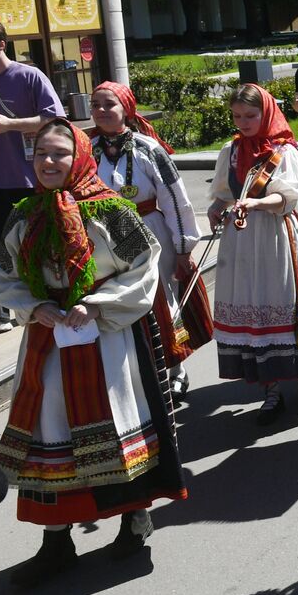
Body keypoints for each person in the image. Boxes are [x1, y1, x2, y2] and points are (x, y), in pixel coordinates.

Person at [0, 119, 187, 587]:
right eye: (41, 154)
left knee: (118, 427)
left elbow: (144, 268)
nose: (49, 162)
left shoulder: (112, 212)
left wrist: (94, 303)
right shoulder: (24, 214)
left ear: (78, 155)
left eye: (59, 153)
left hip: (105, 339)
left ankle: (132, 522)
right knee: (49, 432)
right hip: (48, 342)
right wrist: (33, 305)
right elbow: (3, 273)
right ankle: (55, 543)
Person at [209, 85, 298, 423]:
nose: (243, 122)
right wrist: (217, 207)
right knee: (253, 304)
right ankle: (272, 388)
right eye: (237, 116)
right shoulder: (231, 151)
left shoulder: (283, 152)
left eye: (250, 115)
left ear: (266, 113)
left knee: (284, 300)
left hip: (276, 236)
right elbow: (222, 193)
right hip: (242, 239)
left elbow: (287, 200)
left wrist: (256, 202)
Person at [88, 82, 202, 399]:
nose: (99, 110)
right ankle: (131, 375)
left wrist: (183, 247)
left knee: (161, 299)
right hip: (105, 237)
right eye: (95, 104)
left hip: (150, 231)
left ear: (126, 109)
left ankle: (176, 369)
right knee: (114, 301)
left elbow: (176, 200)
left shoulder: (148, 149)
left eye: (107, 104)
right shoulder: (84, 149)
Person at [0, 20, 65, 335]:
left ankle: (38, 302)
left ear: (1, 45)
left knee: (31, 243)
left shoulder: (29, 76)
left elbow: (55, 118)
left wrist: (10, 125)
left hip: (28, 177)